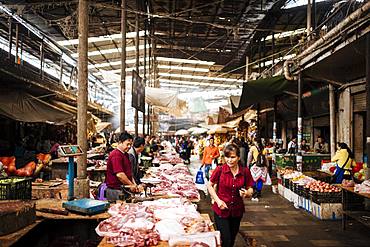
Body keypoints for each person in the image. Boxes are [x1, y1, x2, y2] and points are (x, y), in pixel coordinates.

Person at [207, 144, 254, 247]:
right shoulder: (220, 170)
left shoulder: (245, 171)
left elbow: (250, 188)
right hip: (221, 210)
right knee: (226, 239)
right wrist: (218, 201)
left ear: (238, 157)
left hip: (237, 211)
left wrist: (247, 193)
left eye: (232, 157)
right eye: (227, 157)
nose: (229, 160)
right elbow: (209, 185)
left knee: (232, 239)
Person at [105, 132, 138, 202]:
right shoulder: (116, 155)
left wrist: (134, 184)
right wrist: (131, 185)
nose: (129, 147)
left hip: (123, 189)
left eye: (130, 144)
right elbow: (120, 175)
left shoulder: (125, 154)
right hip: (115, 191)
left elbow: (129, 173)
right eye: (127, 144)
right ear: (120, 142)